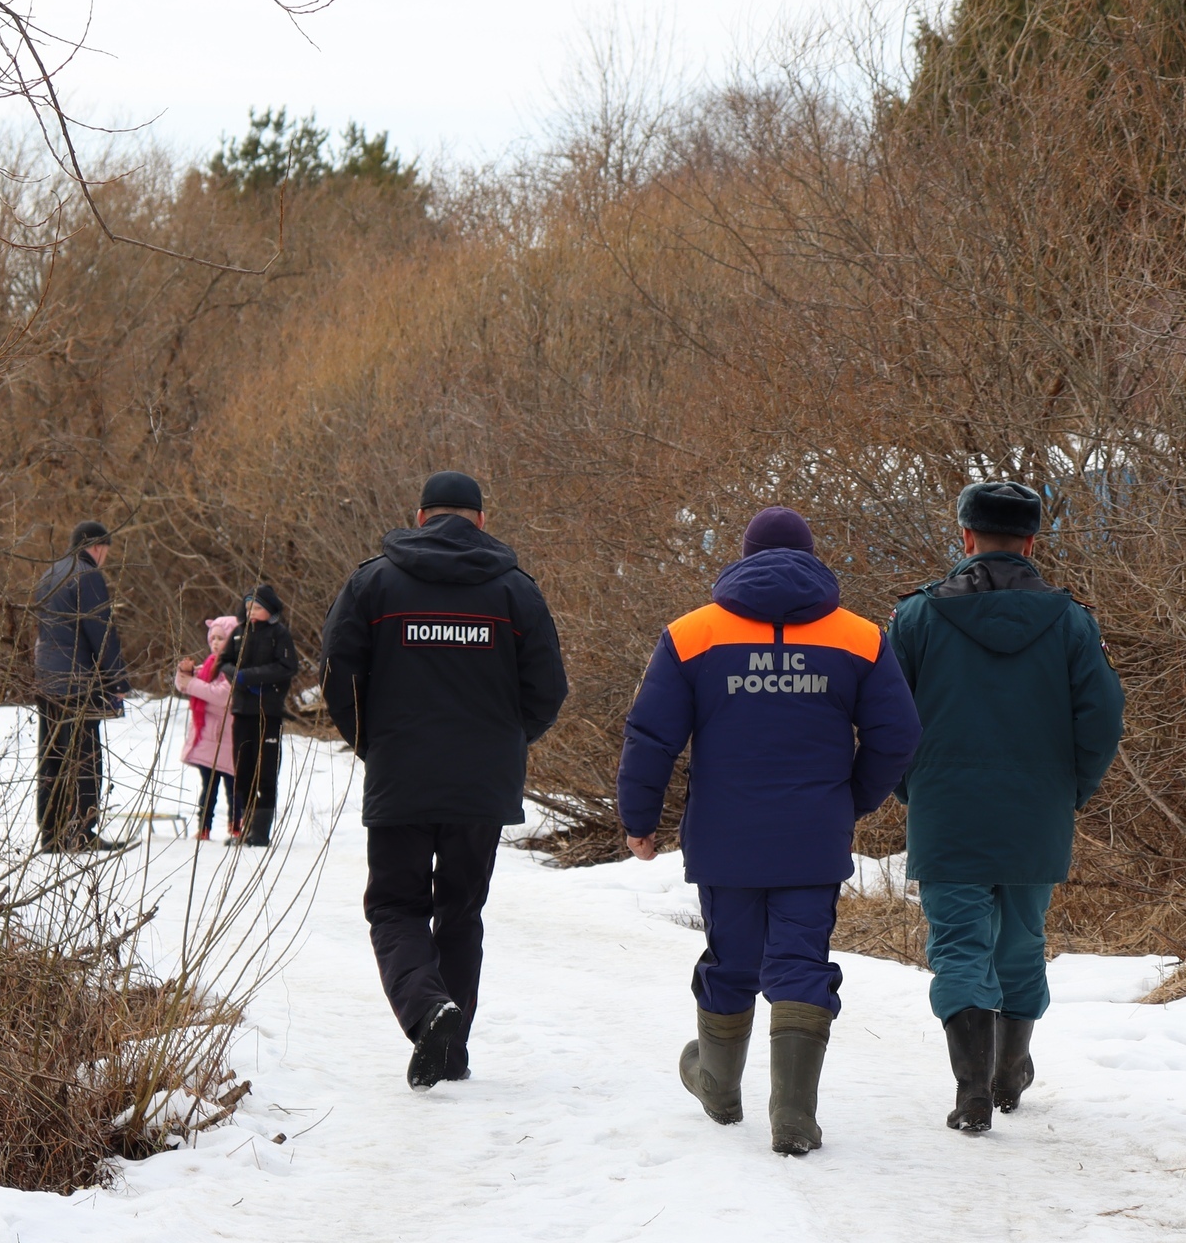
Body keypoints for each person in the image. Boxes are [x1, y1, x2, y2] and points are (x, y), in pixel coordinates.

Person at [616, 506, 921, 1156]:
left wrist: (639, 820)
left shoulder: (692, 634)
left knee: (731, 958)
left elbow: (651, 737)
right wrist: (851, 798)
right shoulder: (858, 637)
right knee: (800, 963)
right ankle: (794, 1117)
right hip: (814, 836)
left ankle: (719, 1087)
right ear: (811, 560)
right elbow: (899, 735)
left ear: (744, 558)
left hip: (724, 838)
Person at [320, 471, 569, 1089]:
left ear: (420, 515)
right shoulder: (515, 591)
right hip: (481, 786)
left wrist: (371, 744)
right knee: (460, 910)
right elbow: (548, 690)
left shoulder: (374, 583)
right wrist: (504, 746)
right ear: (481, 521)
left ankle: (429, 1011)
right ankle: (451, 1053)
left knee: (396, 906)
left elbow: (336, 675)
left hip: (401, 775)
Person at [890, 480, 1124, 1134]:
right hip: (1036, 806)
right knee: (1021, 940)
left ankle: (972, 1088)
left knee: (959, 941)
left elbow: (886, 714)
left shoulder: (916, 618)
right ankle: (1006, 1072)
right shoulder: (1072, 621)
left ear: (965, 538)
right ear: (1030, 541)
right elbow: (1103, 717)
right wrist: (1072, 786)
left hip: (945, 807)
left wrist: (909, 783)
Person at [30, 520, 131, 853]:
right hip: (77, 681)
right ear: (98, 547)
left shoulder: (49, 575)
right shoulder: (87, 576)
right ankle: (82, 832)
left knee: (52, 755)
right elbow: (100, 630)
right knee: (86, 757)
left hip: (47, 678)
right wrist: (117, 680)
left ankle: (51, 832)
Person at [217, 584, 299, 846]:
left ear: (271, 609)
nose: (252, 611)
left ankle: (261, 832)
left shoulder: (279, 634)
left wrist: (252, 677)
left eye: (258, 607)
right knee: (243, 771)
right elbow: (224, 662)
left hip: (268, 712)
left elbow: (287, 667)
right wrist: (237, 676)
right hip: (242, 710)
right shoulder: (239, 633)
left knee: (265, 771)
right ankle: (246, 828)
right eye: (249, 606)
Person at [174, 612, 241, 841]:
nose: (215, 643)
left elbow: (223, 696)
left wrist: (192, 683)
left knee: (234, 788)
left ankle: (236, 827)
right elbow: (186, 686)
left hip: (229, 737)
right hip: (208, 739)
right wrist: (185, 673)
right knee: (208, 788)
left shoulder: (234, 667)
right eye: (213, 639)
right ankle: (204, 828)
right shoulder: (210, 666)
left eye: (221, 639)